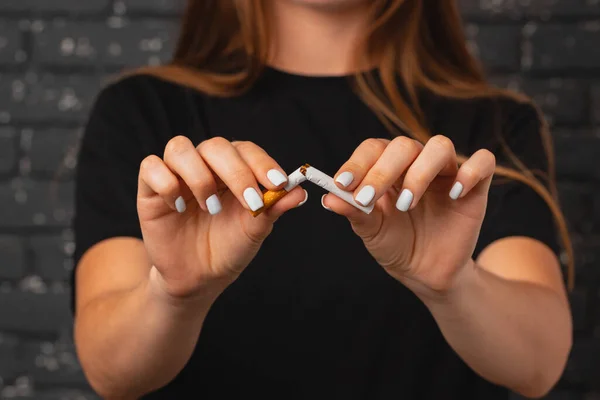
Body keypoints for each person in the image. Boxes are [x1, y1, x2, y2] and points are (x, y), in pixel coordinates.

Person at [71, 0, 574, 399]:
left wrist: (453, 285)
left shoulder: (492, 128)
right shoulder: (142, 114)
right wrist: (176, 295)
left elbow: (539, 366)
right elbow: (109, 371)